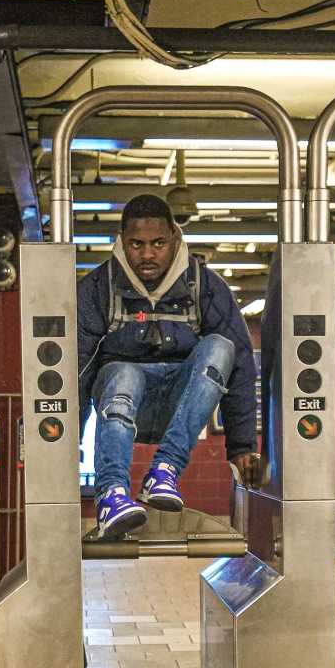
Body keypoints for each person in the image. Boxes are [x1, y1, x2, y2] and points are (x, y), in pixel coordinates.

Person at [77, 194, 262, 539]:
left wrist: (241, 446)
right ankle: (111, 494)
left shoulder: (205, 286)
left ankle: (165, 471)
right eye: (136, 244)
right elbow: (79, 368)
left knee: (223, 347)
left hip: (181, 406)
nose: (147, 254)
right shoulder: (98, 289)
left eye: (158, 243)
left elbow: (240, 370)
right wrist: (67, 442)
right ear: (121, 241)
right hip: (122, 401)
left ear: (175, 238)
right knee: (124, 372)